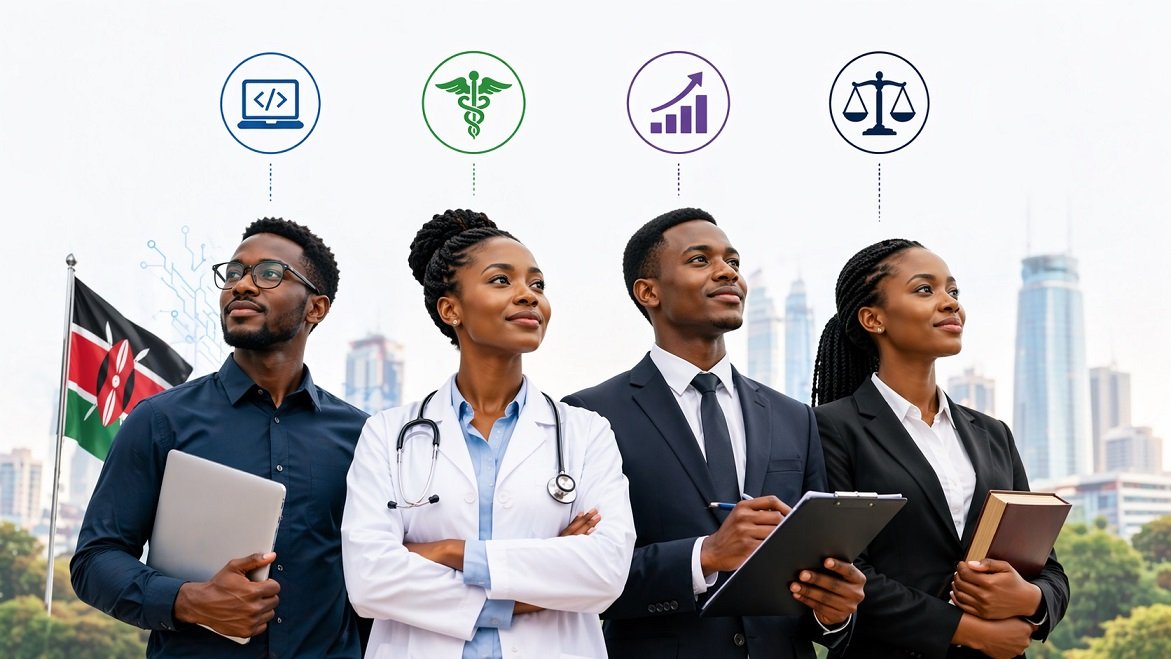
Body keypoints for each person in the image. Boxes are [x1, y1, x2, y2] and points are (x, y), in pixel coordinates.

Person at [564, 208, 865, 659]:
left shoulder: (795, 418)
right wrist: (704, 555)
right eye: (700, 260)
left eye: (733, 262)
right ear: (648, 292)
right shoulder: (590, 415)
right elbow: (579, 577)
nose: (727, 273)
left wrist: (833, 610)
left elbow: (816, 565)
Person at [341, 209, 635, 659]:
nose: (529, 296)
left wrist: (447, 551)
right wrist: (536, 578)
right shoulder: (387, 434)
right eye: (502, 281)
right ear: (450, 308)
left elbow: (605, 573)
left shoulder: (585, 433)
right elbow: (369, 579)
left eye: (537, 285)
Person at [71, 218, 368, 657]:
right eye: (233, 273)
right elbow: (95, 562)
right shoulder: (160, 421)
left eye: (268, 274)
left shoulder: (363, 437)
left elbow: (375, 578)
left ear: (316, 308)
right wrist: (187, 600)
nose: (242, 286)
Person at [811, 239, 1069, 659]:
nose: (950, 303)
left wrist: (1029, 600)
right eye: (925, 290)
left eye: (953, 291)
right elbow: (846, 575)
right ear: (873, 318)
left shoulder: (994, 434)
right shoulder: (830, 430)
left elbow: (1048, 567)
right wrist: (967, 631)